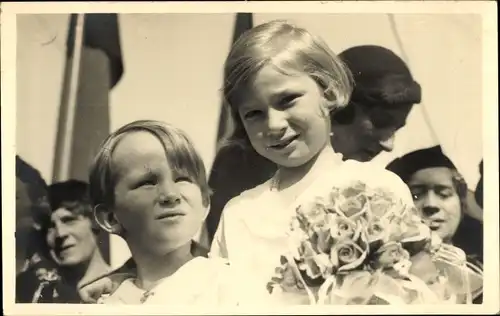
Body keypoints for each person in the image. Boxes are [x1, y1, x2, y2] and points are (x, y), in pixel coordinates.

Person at [209, 20, 422, 302]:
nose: (273, 124)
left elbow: (409, 292)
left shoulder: (377, 189)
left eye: (287, 100)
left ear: (330, 93)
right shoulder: (238, 214)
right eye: (254, 113)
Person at [205, 44, 422, 243]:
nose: (388, 144)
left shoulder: (379, 188)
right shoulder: (243, 165)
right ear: (341, 104)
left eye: (396, 128)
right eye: (381, 122)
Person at [82, 120, 270, 305]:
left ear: (204, 201)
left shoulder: (230, 287)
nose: (171, 195)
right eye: (148, 182)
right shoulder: (108, 302)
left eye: (182, 179)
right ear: (110, 217)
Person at [16, 180, 111, 303]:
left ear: (95, 223)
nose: (60, 233)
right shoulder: (38, 297)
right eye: (50, 226)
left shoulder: (125, 291)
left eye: (69, 220)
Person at [386, 146, 483, 265]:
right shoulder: (384, 272)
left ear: (461, 203)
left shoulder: (484, 267)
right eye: (415, 195)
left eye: (444, 194)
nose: (431, 204)